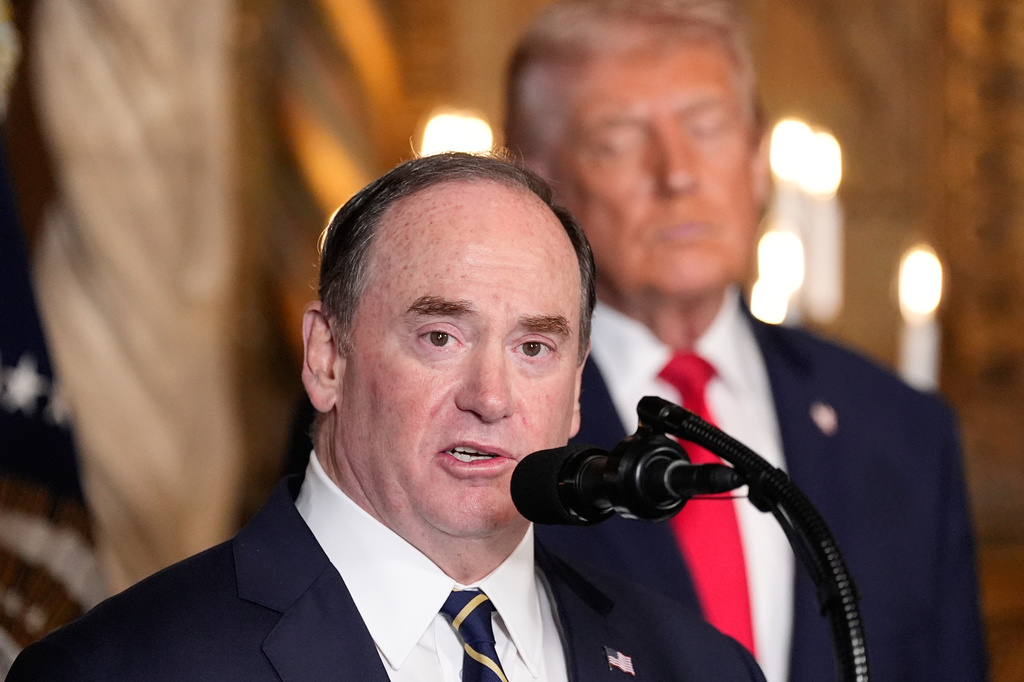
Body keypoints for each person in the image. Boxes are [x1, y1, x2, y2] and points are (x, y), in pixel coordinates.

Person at [6, 152, 766, 681]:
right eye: (440, 336)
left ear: (574, 394)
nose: (491, 396)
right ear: (327, 359)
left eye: (534, 347)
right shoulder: (121, 671)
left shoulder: (699, 667)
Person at [504, 1, 988, 681]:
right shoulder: (482, 421)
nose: (676, 175)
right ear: (537, 180)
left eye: (707, 128)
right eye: (617, 139)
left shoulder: (902, 432)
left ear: (758, 159)